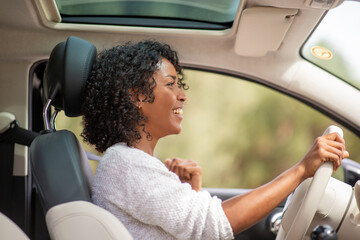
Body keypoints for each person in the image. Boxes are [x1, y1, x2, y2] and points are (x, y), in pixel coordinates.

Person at [81, 41, 349, 239]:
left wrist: (192, 193)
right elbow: (217, 226)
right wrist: (302, 169)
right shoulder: (126, 165)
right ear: (138, 96)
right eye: (170, 84)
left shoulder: (129, 162)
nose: (182, 95)